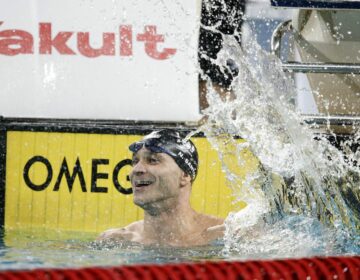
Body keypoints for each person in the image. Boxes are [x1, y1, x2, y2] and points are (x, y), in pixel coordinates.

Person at [98, 129, 224, 247]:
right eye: (135, 161)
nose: (136, 169)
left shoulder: (223, 236)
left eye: (152, 160)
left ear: (185, 175)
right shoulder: (116, 241)